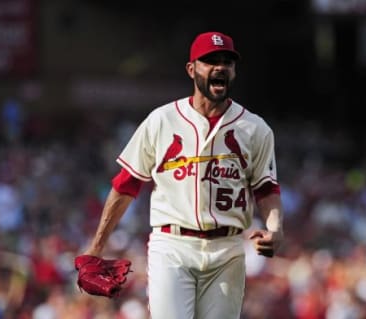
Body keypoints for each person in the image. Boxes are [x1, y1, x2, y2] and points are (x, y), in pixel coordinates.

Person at [82, 31, 284, 319]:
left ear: (234, 71)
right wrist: (95, 248)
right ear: (191, 69)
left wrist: (275, 228)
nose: (220, 67)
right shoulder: (162, 120)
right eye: (210, 61)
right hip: (173, 245)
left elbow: (266, 189)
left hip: (228, 249)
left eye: (227, 61)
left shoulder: (255, 128)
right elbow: (126, 185)